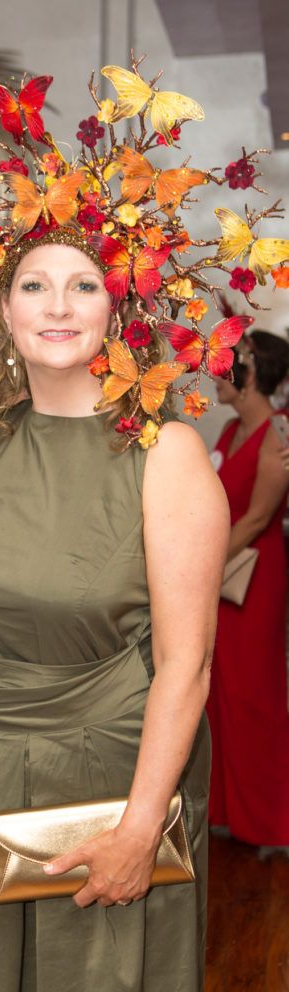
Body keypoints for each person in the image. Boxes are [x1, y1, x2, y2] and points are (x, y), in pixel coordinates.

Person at [0, 61, 288, 992]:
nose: (58, 305)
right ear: (5, 307)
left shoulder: (167, 456)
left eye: (84, 284)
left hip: (103, 787)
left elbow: (186, 667)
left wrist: (139, 826)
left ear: (121, 307)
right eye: (35, 284)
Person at [208, 330, 289, 852]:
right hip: (222, 574)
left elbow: (259, 515)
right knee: (220, 693)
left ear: (251, 372)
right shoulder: (229, 430)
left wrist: (201, 565)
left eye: (226, 365)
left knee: (254, 695)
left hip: (255, 575)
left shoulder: (277, 435)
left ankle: (273, 823)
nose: (216, 374)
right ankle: (229, 812)